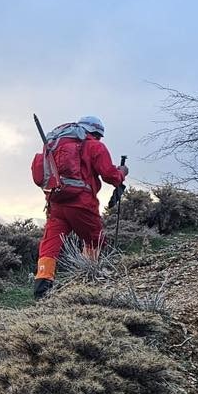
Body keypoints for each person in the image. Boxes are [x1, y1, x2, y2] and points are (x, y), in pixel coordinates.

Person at [31, 115, 128, 298]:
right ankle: (87, 279)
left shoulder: (55, 144)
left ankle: (42, 286)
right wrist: (122, 173)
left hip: (56, 202)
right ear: (96, 133)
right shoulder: (94, 145)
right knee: (94, 239)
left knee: (50, 243)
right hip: (82, 203)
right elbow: (110, 176)